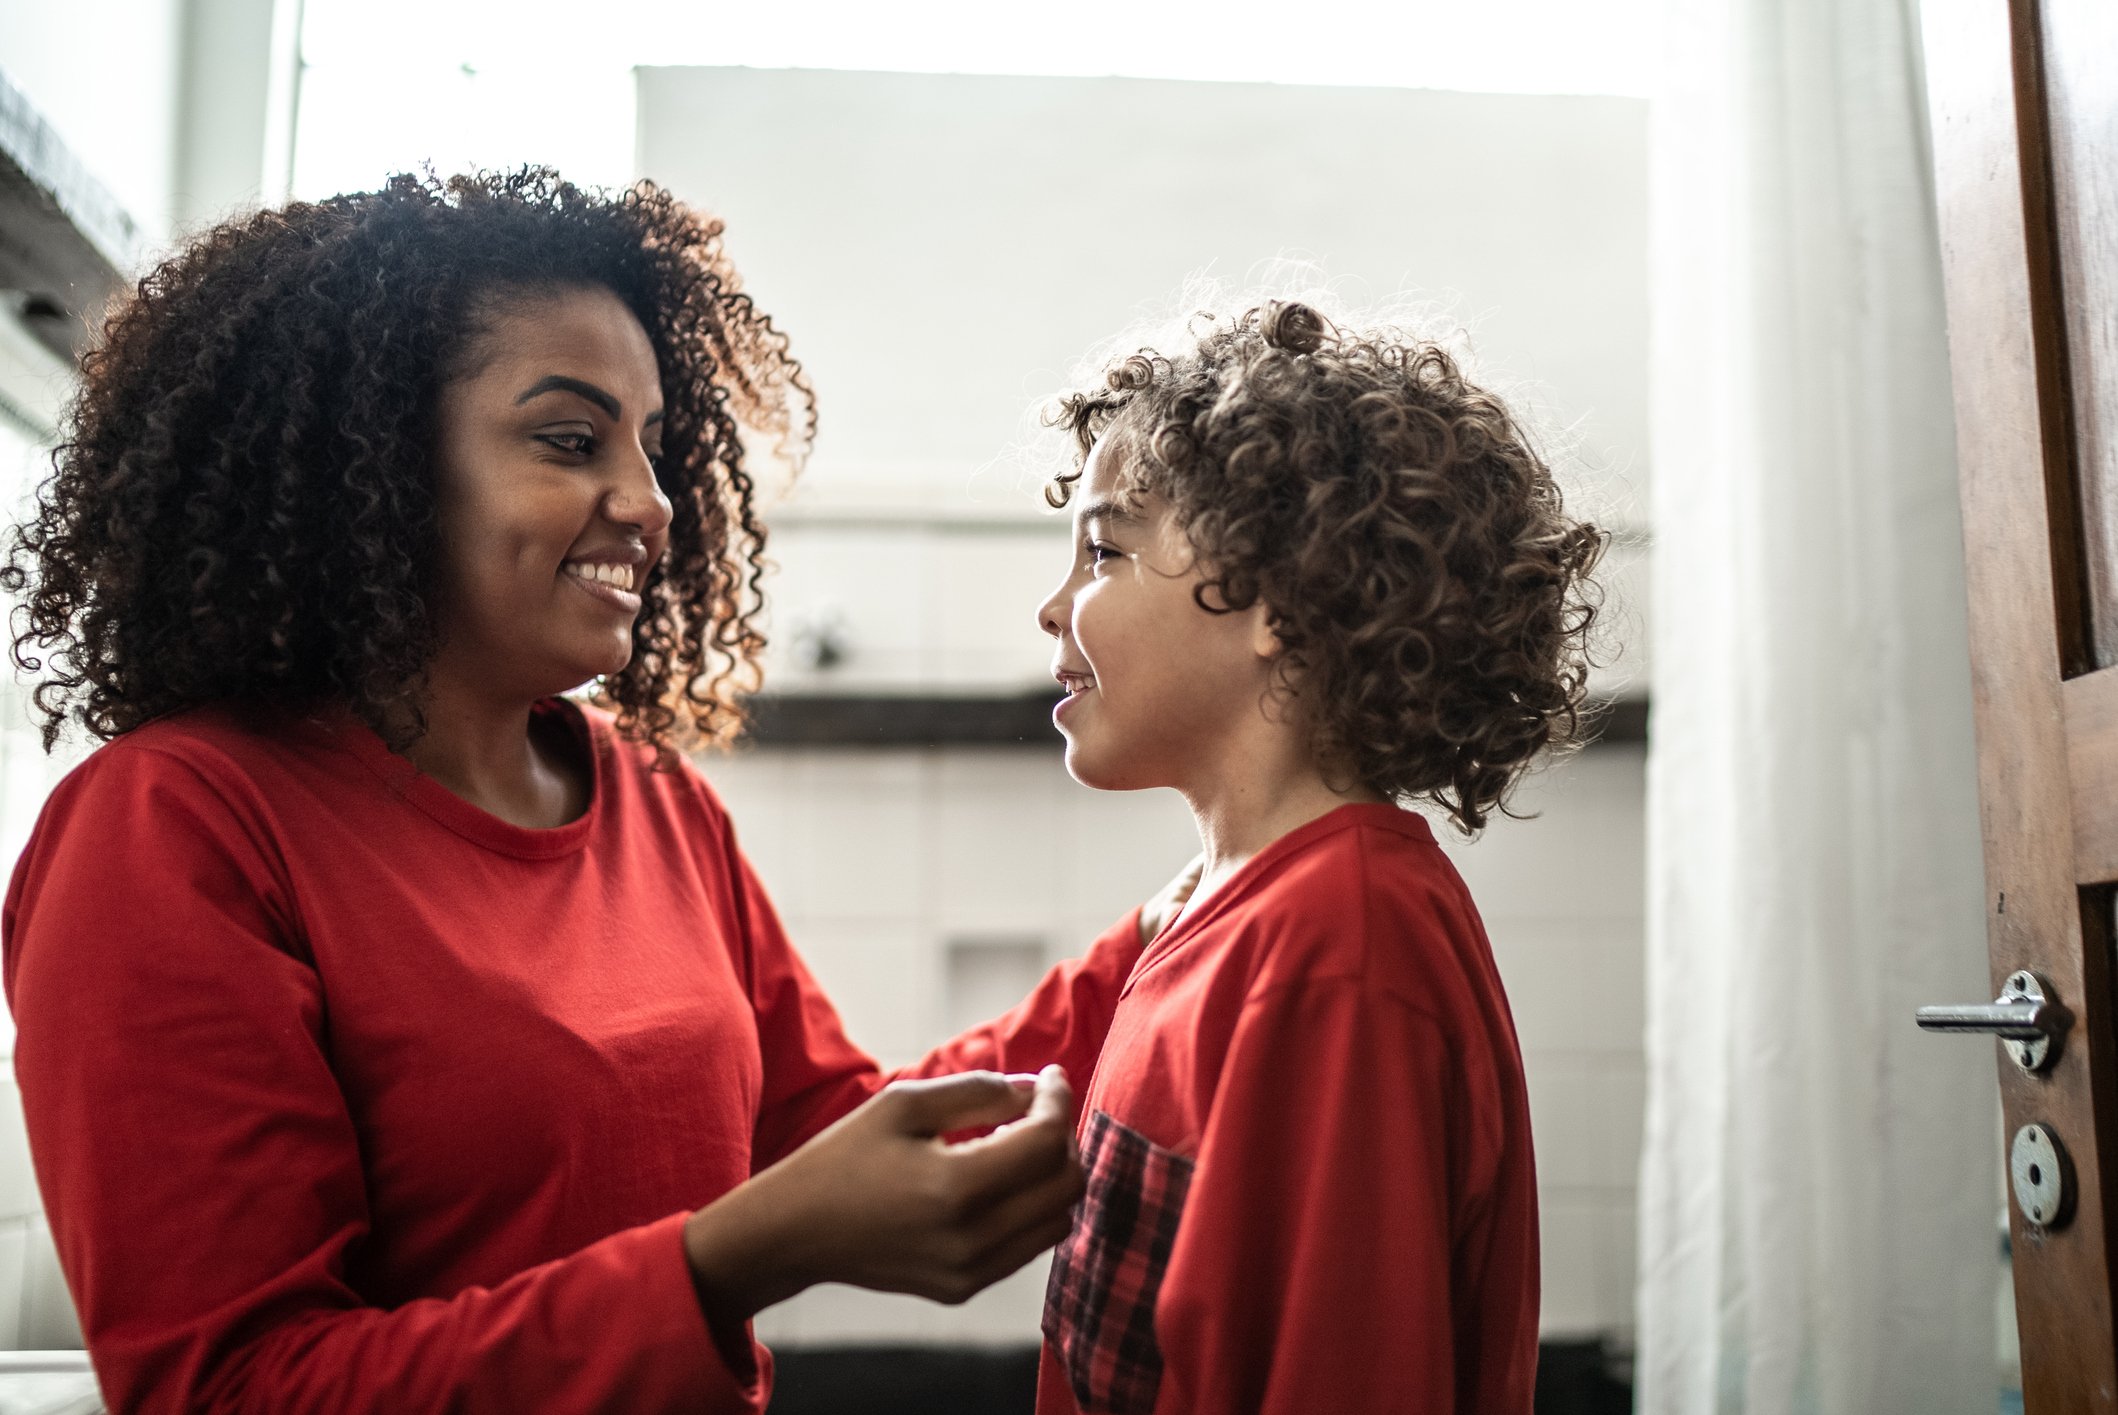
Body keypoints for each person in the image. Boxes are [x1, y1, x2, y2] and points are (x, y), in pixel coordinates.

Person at [0, 169, 1176, 1414]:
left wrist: (1166, 935)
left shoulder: (654, 799)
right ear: (377, 469)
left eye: (655, 447)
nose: (652, 504)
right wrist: (726, 1261)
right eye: (571, 440)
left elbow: (830, 1121)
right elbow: (236, 1389)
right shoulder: (177, 829)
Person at [1030, 300, 1604, 1413]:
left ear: (1279, 596)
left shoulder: (1340, 947)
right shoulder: (1237, 910)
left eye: (1102, 550)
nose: (1054, 605)